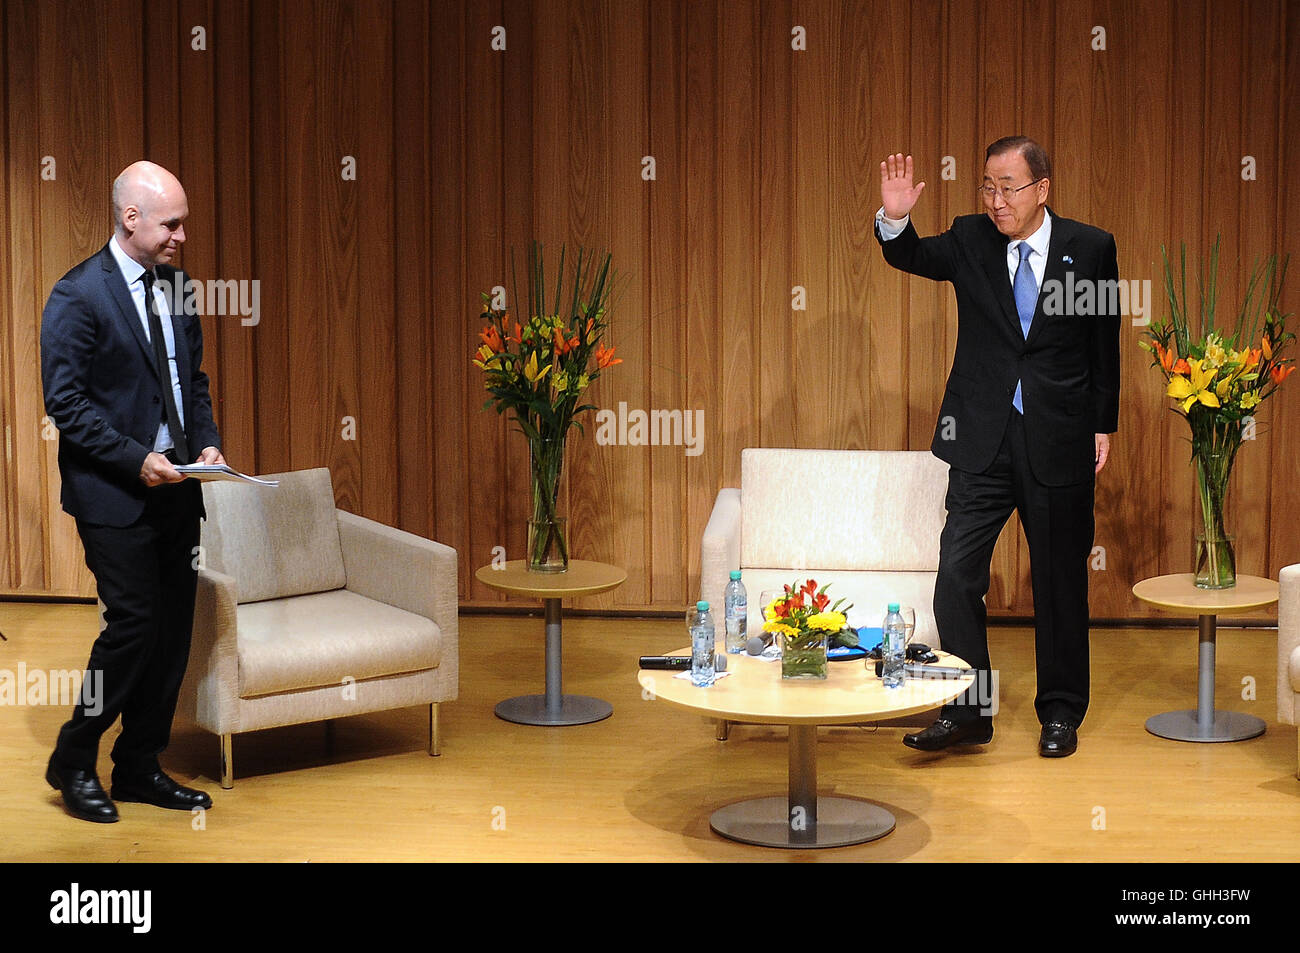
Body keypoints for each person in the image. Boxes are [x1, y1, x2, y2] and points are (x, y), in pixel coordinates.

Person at [875, 138, 1119, 758]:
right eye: (988, 185)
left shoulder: (1089, 248)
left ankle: (1061, 712)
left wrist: (1102, 423)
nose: (997, 199)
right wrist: (896, 218)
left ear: (1042, 189)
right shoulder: (970, 238)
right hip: (981, 438)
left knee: (1060, 583)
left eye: (1009, 187)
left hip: (1058, 437)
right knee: (956, 577)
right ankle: (969, 712)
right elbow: (909, 256)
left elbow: (1102, 344)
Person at [41, 161, 225, 821]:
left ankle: (140, 765)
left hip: (180, 487)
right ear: (130, 218)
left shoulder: (179, 287)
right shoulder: (77, 295)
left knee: (173, 631)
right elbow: (66, 404)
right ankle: (74, 754)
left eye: (183, 223)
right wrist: (135, 458)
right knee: (134, 625)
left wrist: (204, 441)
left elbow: (191, 382)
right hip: (113, 493)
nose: (180, 235)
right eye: (171, 223)